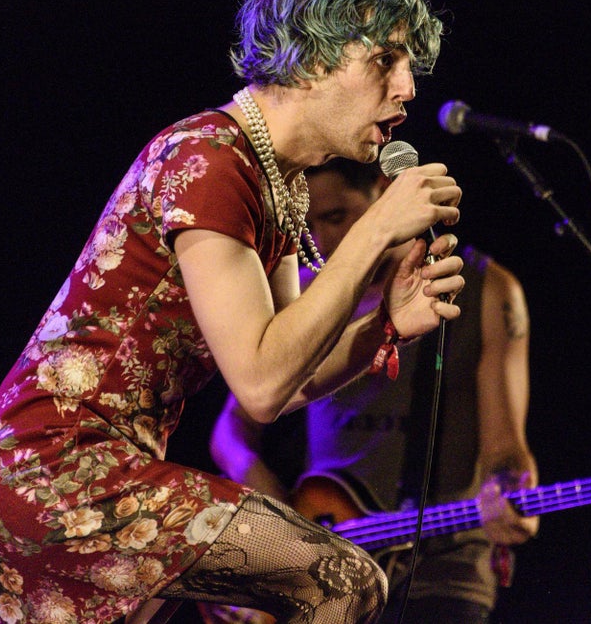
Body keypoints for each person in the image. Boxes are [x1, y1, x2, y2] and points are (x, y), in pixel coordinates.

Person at [0, 0, 466, 624]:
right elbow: (257, 378)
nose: (407, 88)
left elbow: (285, 384)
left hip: (66, 474)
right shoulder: (211, 159)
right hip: (55, 469)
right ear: (312, 57)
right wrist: (374, 231)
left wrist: (383, 325)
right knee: (343, 581)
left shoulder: (275, 182)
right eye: (384, 61)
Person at [206, 158, 539, 624]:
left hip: (443, 569)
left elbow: (507, 447)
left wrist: (509, 491)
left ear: (384, 191)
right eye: (312, 224)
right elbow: (231, 430)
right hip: (332, 565)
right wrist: (280, 519)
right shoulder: (309, 293)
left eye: (338, 217)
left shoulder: (488, 290)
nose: (324, 240)